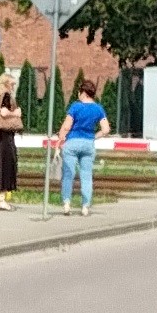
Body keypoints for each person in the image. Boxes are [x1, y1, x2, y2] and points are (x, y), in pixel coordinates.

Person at [56, 78, 106, 213]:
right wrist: (94, 137)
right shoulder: (98, 109)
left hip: (72, 143)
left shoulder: (76, 106)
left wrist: (60, 138)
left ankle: (67, 203)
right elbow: (106, 129)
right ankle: (85, 206)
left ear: (83, 92)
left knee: (68, 174)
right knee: (86, 175)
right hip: (88, 144)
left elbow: (67, 126)